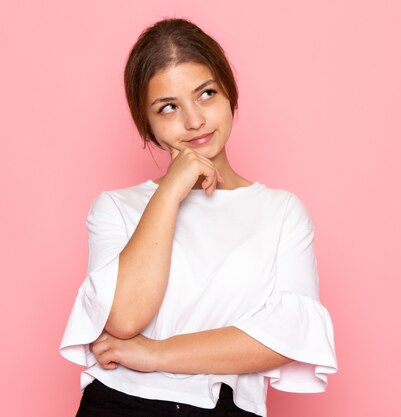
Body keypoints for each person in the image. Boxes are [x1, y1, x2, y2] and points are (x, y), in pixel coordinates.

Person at [59, 17, 338, 417]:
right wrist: (172, 190)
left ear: (230, 95)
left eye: (206, 94)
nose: (193, 121)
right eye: (168, 107)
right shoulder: (115, 207)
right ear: (148, 125)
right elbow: (123, 318)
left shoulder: (281, 211)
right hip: (120, 405)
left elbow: (280, 341)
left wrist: (154, 353)